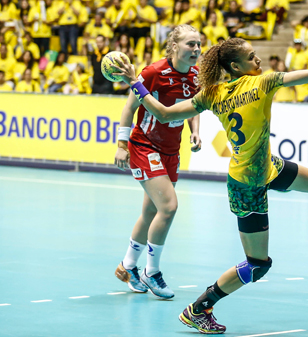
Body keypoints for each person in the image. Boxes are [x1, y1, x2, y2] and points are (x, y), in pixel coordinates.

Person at [113, 37, 308, 334]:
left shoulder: (214, 93)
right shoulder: (261, 84)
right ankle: (199, 309)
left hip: (269, 168)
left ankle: (271, 189)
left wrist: (136, 84)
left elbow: (164, 112)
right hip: (246, 187)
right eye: (252, 57)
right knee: (258, 265)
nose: (258, 60)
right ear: (235, 66)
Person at [113, 24, 202, 299]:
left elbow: (194, 106)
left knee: (151, 212)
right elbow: (130, 107)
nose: (196, 50)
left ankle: (127, 267)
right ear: (174, 47)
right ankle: (152, 272)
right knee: (169, 206)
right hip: (144, 145)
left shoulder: (196, 75)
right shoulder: (152, 72)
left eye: (198, 44)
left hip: (171, 150)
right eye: (190, 44)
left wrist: (195, 131)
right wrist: (120, 145)